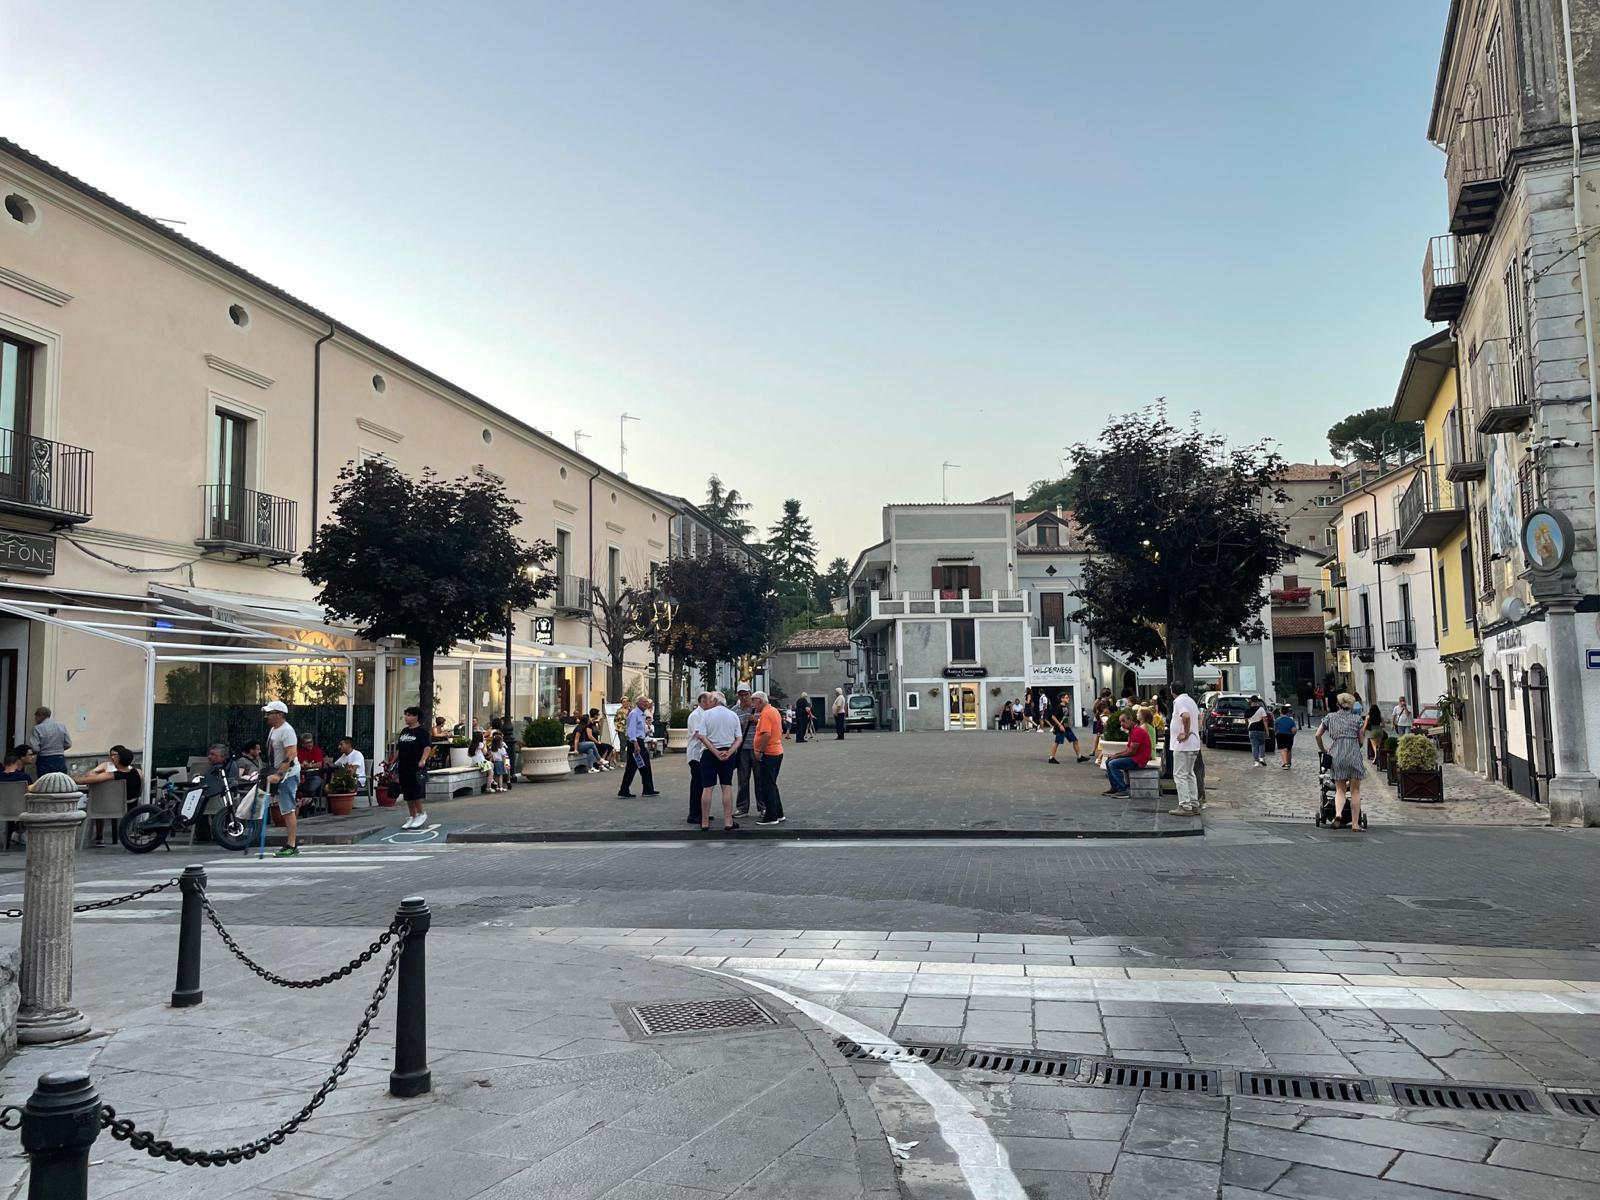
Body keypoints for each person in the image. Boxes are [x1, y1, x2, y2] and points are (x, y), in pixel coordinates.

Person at [1315, 693, 1366, 831]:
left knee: (1340, 790)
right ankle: (1355, 824)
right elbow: (1361, 741)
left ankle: (1338, 814)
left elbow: (1317, 735)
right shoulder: (1357, 719)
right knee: (1355, 791)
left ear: (1338, 704)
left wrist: (1324, 749)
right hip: (1353, 754)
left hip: (1337, 754)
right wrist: (1354, 745)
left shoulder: (1330, 717)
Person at [76, 744, 142, 846]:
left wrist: (70, 779)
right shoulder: (139, 772)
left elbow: (84, 780)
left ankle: (98, 837)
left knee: (95, 803)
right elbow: (140, 790)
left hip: (107, 808)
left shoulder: (111, 775)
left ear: (119, 759)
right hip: (130, 806)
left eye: (115, 756)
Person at [697, 691, 744, 831]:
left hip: (709, 753)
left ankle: (704, 821)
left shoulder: (706, 714)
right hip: (728, 753)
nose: (709, 702)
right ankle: (728, 820)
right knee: (727, 786)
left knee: (707, 788)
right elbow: (739, 738)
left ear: (715, 701)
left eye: (710, 700)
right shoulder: (733, 715)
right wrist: (729, 752)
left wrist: (715, 751)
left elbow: (702, 736)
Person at [260, 701, 302, 856]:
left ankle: (291, 845)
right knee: (284, 809)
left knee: (287, 809)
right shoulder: (273, 730)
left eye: (270, 713)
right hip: (276, 771)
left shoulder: (287, 731)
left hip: (287, 775)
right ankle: (290, 844)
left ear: (279, 714)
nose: (267, 716)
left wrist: (279, 775)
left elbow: (291, 755)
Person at [388, 705, 432, 830]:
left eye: (409, 715)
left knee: (415, 792)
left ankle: (421, 813)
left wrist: (423, 760)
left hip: (416, 767)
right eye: (406, 715)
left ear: (416, 717)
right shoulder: (404, 732)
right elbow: (399, 748)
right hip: (404, 766)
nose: (406, 717)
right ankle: (412, 816)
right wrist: (393, 761)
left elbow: (427, 747)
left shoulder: (422, 732)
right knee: (407, 793)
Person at [752, 691, 786, 825]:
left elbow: (766, 734)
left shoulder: (765, 713)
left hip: (769, 753)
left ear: (759, 700)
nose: (753, 704)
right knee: (772, 784)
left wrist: (760, 751)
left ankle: (771, 816)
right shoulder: (773, 711)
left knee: (767, 785)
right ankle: (778, 812)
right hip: (777, 751)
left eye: (754, 701)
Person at [1168, 683, 1202, 817]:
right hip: (1193, 744)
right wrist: (1195, 731)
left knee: (1180, 775)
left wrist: (1186, 733)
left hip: (1183, 745)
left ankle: (1184, 805)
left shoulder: (1179, 701)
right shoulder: (1190, 701)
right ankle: (1194, 804)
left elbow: (1186, 716)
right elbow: (1199, 717)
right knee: (1189, 774)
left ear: (1172, 691)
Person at [617, 697, 659, 798]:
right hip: (635, 743)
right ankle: (626, 790)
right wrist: (636, 745)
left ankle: (646, 789)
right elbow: (631, 731)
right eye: (644, 702)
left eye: (647, 702)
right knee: (636, 767)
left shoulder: (642, 714)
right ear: (638, 703)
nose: (646, 704)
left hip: (639, 741)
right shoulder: (634, 714)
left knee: (640, 766)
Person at [1103, 711, 1152, 798]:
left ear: (1130, 720)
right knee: (1108, 761)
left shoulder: (1137, 732)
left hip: (1139, 760)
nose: (1122, 724)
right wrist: (1115, 755)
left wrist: (1117, 756)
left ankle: (1122, 790)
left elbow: (1132, 752)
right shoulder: (1132, 731)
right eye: (1120, 722)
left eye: (1123, 721)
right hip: (1134, 757)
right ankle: (1115, 787)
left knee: (1112, 764)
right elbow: (1129, 750)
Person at [683, 691, 710, 823]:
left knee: (703, 784)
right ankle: (694, 814)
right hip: (695, 754)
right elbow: (700, 734)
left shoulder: (704, 714)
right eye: (709, 701)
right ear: (703, 701)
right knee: (697, 784)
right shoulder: (696, 715)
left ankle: (701, 811)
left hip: (701, 754)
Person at [734, 684, 760, 817]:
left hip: (757, 748)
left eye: (746, 694)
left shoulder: (757, 708)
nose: (744, 697)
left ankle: (763, 807)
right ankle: (742, 808)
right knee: (743, 780)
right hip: (742, 749)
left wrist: (756, 721)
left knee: (759, 779)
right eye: (741, 695)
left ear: (751, 694)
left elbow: (767, 725)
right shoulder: (734, 711)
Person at [28, 706, 72, 778]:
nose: (35, 719)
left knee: (45, 784)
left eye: (35, 717)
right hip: (59, 759)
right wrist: (58, 749)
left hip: (44, 760)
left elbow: (35, 749)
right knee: (60, 782)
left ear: (40, 716)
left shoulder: (37, 728)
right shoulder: (61, 726)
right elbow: (68, 744)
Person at [1048, 696, 1090, 764]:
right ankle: (1051, 758)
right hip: (1061, 728)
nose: (1068, 699)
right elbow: (1053, 716)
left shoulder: (1066, 707)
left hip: (1066, 727)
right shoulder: (1059, 707)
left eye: (1068, 697)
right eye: (1066, 697)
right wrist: (1060, 725)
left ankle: (1079, 757)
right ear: (1062, 699)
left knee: (1075, 740)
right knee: (1057, 742)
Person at [297, 733, 328, 803]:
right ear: (303, 744)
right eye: (307, 743)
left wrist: (308, 765)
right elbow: (296, 764)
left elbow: (319, 764)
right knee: (295, 786)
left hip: (316, 776)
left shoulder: (316, 750)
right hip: (302, 776)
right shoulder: (299, 752)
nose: (310, 744)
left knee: (310, 787)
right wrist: (302, 765)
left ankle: (310, 804)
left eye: (311, 742)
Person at [1244, 695, 1271, 767]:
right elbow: (1265, 720)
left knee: (1254, 746)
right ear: (1257, 701)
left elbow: (1246, 720)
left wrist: (1248, 727)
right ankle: (1261, 758)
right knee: (1262, 744)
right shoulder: (1261, 709)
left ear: (1251, 701)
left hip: (1252, 730)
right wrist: (1267, 730)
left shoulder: (1247, 710)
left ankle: (1256, 762)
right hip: (1260, 730)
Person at [1275, 706, 1298, 770]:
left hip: (1280, 735)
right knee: (1288, 749)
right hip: (1289, 735)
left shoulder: (1277, 720)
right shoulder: (1291, 720)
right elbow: (1294, 730)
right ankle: (1289, 762)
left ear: (1281, 711)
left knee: (1283, 749)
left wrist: (1275, 734)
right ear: (1288, 712)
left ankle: (1285, 763)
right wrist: (1293, 735)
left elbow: (1275, 729)